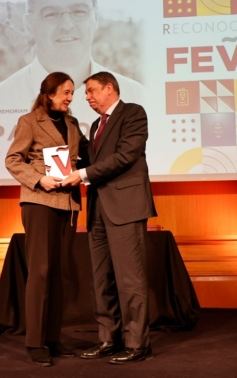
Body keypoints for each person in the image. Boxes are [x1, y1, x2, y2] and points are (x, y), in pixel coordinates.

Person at [0, 0, 145, 180]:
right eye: (51, 14)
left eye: (79, 12)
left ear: (95, 18)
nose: (67, 25)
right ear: (28, 24)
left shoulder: (138, 98)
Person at [60, 71, 157, 365]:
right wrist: (62, 162)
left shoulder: (133, 113)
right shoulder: (95, 126)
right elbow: (92, 160)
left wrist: (82, 174)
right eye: (86, 93)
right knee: (101, 279)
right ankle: (108, 339)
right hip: (99, 208)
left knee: (130, 279)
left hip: (126, 206)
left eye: (91, 91)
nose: (87, 97)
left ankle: (137, 343)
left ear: (109, 88)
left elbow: (126, 156)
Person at [4, 72, 89, 367]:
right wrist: (40, 179)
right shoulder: (29, 121)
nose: (70, 97)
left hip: (68, 203)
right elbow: (13, 159)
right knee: (40, 271)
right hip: (39, 200)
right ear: (49, 94)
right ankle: (34, 342)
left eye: (72, 93)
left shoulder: (72, 124)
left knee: (58, 273)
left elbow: (85, 156)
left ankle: (53, 338)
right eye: (66, 92)